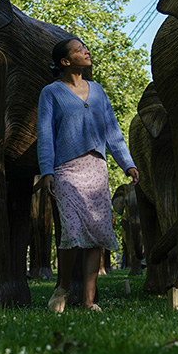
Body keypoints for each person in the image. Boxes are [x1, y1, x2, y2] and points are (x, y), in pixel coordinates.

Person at [36, 37, 139, 312]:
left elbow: (113, 133)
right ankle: (63, 288)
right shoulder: (51, 93)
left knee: (95, 233)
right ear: (65, 62)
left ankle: (89, 301)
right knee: (70, 230)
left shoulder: (98, 91)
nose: (86, 51)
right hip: (66, 171)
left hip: (96, 169)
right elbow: (45, 135)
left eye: (85, 48)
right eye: (79, 50)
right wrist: (47, 171)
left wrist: (127, 163)